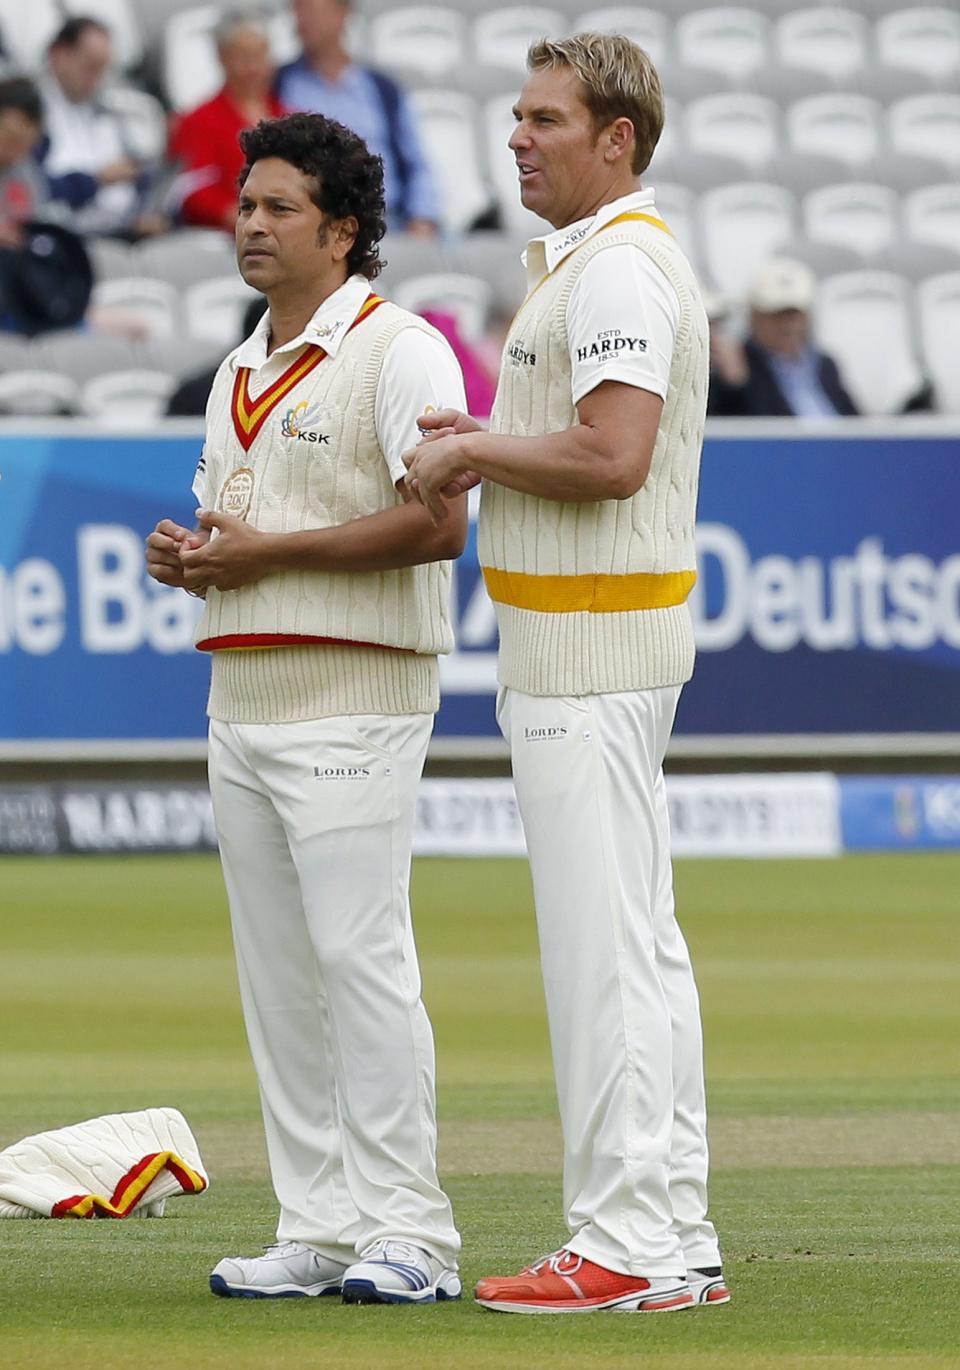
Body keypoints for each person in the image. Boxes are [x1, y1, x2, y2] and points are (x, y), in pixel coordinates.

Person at [404, 33, 729, 1314]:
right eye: (517, 118)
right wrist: (491, 441)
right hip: (596, 641)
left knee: (601, 954)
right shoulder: (602, 265)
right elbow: (588, 444)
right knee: (639, 947)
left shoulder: (618, 273)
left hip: (589, 649)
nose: (518, 138)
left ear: (617, 142)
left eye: (545, 119)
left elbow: (613, 457)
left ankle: (619, 1243)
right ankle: (676, 1230)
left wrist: (480, 447)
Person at [145, 110, 466, 1305]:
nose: (251, 225)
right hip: (242, 696)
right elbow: (244, 529)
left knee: (359, 958)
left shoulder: (402, 350)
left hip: (355, 693)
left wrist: (267, 555)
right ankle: (318, 1223)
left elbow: (440, 525)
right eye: (245, 204)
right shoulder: (239, 362)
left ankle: (411, 1232)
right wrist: (192, 557)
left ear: (342, 229)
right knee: (281, 976)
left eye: (279, 207)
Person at [277, 0, 439, 236]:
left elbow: (416, 162)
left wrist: (422, 217)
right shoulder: (279, 84)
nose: (301, 19)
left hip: (385, 224)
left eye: (311, 9)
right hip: (307, 227)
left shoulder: (382, 89)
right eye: (297, 9)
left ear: (342, 13)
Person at [38, 17, 163, 239]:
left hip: (121, 230)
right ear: (59, 55)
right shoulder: (31, 114)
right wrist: (97, 180)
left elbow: (139, 180)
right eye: (90, 67)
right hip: (64, 236)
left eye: (103, 69)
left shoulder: (106, 109)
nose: (96, 79)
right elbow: (34, 186)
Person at [169, 10, 286, 233]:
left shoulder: (289, 116)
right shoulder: (198, 120)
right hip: (226, 243)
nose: (253, 67)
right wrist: (252, 222)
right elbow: (193, 192)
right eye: (242, 57)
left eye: (260, 55)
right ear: (221, 57)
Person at [707, 257, 858, 417]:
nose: (788, 325)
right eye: (777, 315)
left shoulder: (825, 365)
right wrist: (734, 387)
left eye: (794, 314)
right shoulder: (740, 367)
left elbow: (859, 427)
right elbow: (744, 430)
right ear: (754, 317)